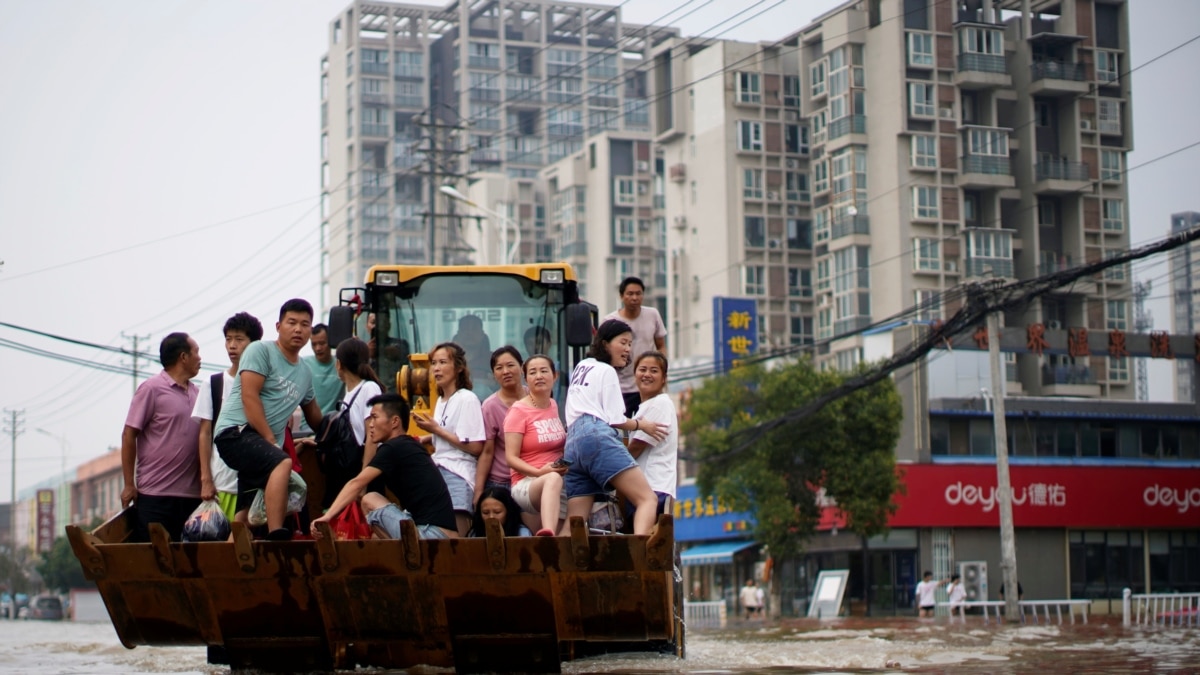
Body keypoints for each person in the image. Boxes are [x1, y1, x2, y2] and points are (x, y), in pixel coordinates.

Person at [214, 299, 324, 541]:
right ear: (278, 326)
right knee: (281, 463)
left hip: (258, 443)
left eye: (305, 324)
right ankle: (277, 535)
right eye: (291, 322)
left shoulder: (305, 371)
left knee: (244, 513)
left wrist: (338, 426)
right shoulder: (260, 351)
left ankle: (224, 566)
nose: (298, 329)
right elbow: (249, 397)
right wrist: (270, 441)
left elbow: (315, 416)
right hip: (235, 433)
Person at [563, 319, 668, 536]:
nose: (628, 349)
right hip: (595, 435)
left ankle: (551, 568)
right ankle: (641, 559)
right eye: (623, 342)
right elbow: (615, 419)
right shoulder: (606, 370)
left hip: (572, 445)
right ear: (604, 343)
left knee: (574, 521)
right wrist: (642, 425)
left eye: (630, 344)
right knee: (646, 499)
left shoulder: (581, 366)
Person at [312, 393, 456, 540]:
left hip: (431, 533)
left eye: (375, 417)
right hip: (441, 533)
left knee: (370, 499)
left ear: (394, 421)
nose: (370, 424)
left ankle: (406, 557)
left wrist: (327, 517)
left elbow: (356, 484)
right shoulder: (408, 445)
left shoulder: (394, 447)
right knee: (375, 537)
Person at [120, 332, 203, 542]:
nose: (200, 358)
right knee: (154, 565)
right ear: (183, 357)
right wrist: (129, 484)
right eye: (196, 352)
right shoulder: (151, 389)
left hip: (193, 498)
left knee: (190, 567)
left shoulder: (199, 394)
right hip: (155, 497)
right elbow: (129, 435)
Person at [192, 312, 263, 522]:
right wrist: (206, 479)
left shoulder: (265, 385)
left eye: (239, 339)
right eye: (228, 339)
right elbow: (205, 433)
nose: (232, 345)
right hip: (222, 484)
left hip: (256, 484)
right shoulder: (213, 384)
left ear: (254, 344)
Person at [413, 341, 486, 537]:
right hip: (437, 470)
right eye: (434, 363)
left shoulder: (466, 398)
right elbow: (450, 430)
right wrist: (427, 437)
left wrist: (435, 429)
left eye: (443, 362)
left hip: (458, 474)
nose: (436, 368)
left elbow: (475, 446)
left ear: (459, 367)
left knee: (457, 539)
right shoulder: (440, 400)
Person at [306, 337, 382, 507]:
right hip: (350, 472)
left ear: (339, 364)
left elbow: (372, 438)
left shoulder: (368, 388)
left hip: (363, 471)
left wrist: (363, 481)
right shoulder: (349, 393)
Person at [504, 354, 568, 537]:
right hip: (527, 483)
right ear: (526, 379)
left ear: (554, 376)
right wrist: (540, 472)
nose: (539, 376)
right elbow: (510, 458)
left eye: (544, 371)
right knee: (553, 479)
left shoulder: (553, 405)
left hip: (557, 482)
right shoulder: (518, 410)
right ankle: (547, 531)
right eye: (533, 372)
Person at [602, 277, 667, 417]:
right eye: (630, 294)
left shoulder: (653, 315)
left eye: (638, 294)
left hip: (646, 385)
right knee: (621, 430)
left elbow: (661, 346)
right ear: (621, 296)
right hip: (620, 388)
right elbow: (603, 354)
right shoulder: (610, 321)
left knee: (647, 428)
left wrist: (660, 370)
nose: (634, 298)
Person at [627, 351, 678, 514]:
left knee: (644, 538)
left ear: (663, 378)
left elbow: (635, 449)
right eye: (642, 369)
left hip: (654, 488)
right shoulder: (642, 409)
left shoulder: (660, 403)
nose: (647, 374)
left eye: (654, 371)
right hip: (643, 489)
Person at [475, 346, 524, 503]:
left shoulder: (536, 397)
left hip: (533, 480)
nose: (505, 371)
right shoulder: (490, 406)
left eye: (510, 365)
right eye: (499, 368)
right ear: (494, 375)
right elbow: (487, 452)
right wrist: (479, 491)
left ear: (522, 368)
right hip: (502, 483)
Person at [305, 324, 344, 415]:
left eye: (322, 343)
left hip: (334, 424)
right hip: (308, 426)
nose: (318, 348)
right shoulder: (304, 364)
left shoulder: (341, 365)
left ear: (330, 342)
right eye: (314, 344)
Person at [452, 314, 494, 396]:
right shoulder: (449, 360)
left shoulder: (493, 360)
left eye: (474, 329)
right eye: (465, 329)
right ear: (458, 334)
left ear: (482, 334)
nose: (469, 333)